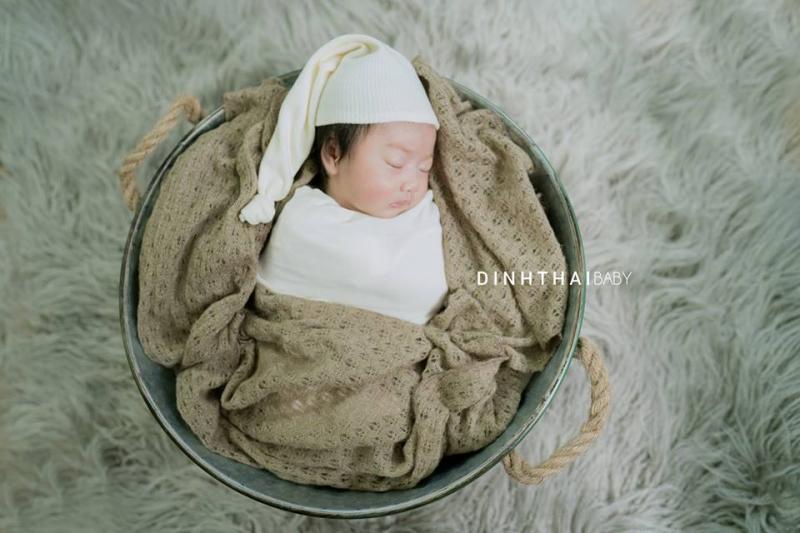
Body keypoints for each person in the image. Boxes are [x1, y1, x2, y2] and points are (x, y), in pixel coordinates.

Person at [238, 34, 448, 325]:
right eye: (395, 163)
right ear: (333, 154)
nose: (412, 184)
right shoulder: (302, 221)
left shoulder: (425, 215)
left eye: (424, 167)